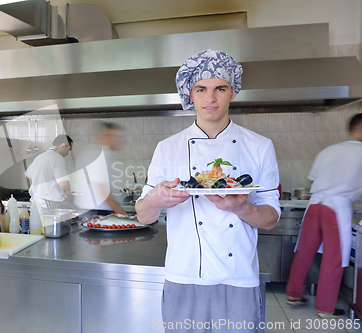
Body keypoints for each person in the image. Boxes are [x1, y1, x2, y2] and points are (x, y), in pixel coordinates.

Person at [135, 49, 280, 332]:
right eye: (201, 89)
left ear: (233, 92)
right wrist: (156, 198)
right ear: (190, 94)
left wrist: (240, 207)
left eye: (220, 88)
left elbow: (271, 219)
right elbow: (143, 216)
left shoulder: (260, 146)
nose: (210, 98)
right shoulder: (168, 148)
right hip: (184, 276)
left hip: (238, 277)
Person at [285, 113, 362, 319]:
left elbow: (312, 179)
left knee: (304, 251)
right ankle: (326, 308)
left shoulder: (330, 150)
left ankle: (293, 294)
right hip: (335, 208)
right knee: (333, 258)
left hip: (315, 204)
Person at [73, 121, 129, 217]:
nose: (121, 141)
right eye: (117, 137)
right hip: (96, 212)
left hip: (91, 211)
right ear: (106, 136)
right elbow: (103, 191)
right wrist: (124, 215)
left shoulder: (92, 151)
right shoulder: (100, 154)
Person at [25, 134, 73, 228]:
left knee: (37, 232)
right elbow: (64, 184)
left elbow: (27, 175)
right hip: (48, 205)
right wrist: (68, 192)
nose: (68, 153)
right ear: (63, 146)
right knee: (49, 233)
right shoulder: (57, 158)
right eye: (69, 149)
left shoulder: (40, 157)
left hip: (35, 203)